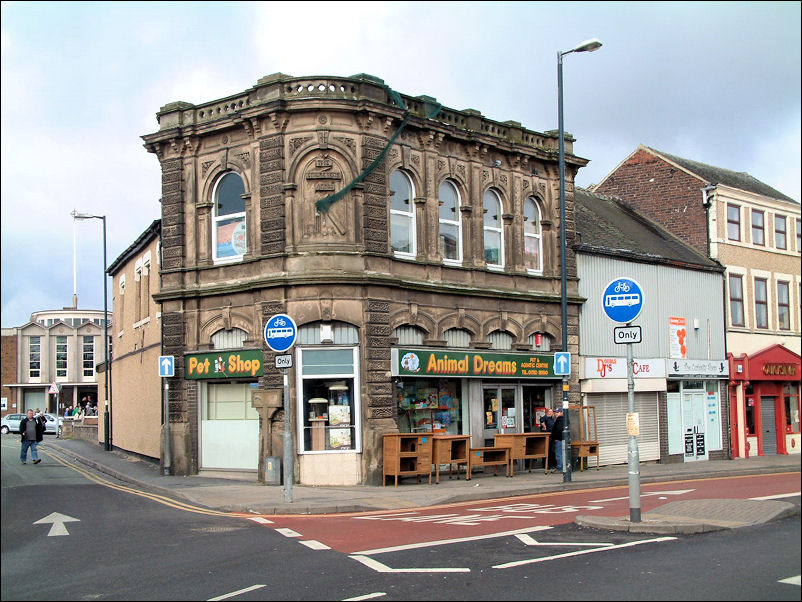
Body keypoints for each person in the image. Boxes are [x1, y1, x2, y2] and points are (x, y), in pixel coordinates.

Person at [550, 407, 565, 474]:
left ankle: (560, 468)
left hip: (559, 439)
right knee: (561, 454)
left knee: (559, 454)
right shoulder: (562, 419)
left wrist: (556, 438)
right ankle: (562, 467)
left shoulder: (560, 419)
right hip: (561, 439)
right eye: (556, 412)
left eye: (558, 412)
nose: (556, 413)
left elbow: (559, 430)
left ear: (561, 412)